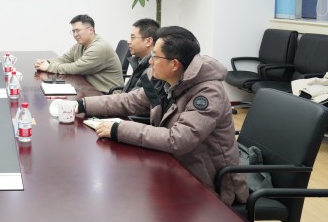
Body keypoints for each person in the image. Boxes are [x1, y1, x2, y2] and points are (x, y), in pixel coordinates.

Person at [78, 26, 248, 205]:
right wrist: (82, 105)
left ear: (174, 64)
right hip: (174, 166)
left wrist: (119, 129)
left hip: (209, 185)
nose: (150, 62)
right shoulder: (166, 80)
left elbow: (179, 139)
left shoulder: (208, 93)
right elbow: (129, 101)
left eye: (155, 56)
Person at [34, 14, 123, 93]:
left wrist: (49, 67)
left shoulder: (99, 47)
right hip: (89, 89)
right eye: (73, 31)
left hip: (107, 96)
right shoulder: (81, 44)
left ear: (91, 30)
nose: (75, 34)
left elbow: (76, 68)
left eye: (78, 30)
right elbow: (65, 58)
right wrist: (46, 62)